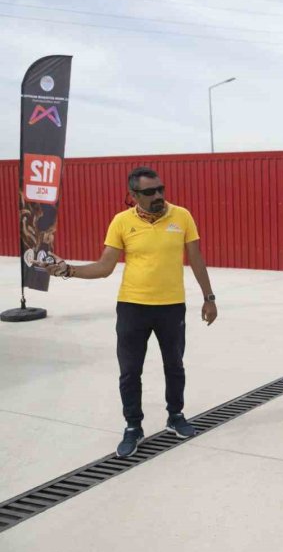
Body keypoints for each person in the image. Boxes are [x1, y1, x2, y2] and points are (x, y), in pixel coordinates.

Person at [37, 167, 217, 458]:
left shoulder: (181, 216)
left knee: (175, 365)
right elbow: (105, 267)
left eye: (161, 189)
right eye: (149, 192)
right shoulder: (121, 222)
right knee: (130, 371)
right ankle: (133, 426)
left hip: (172, 307)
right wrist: (68, 270)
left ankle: (176, 415)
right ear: (133, 195)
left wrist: (209, 297)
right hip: (133, 307)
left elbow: (195, 258)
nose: (158, 195)